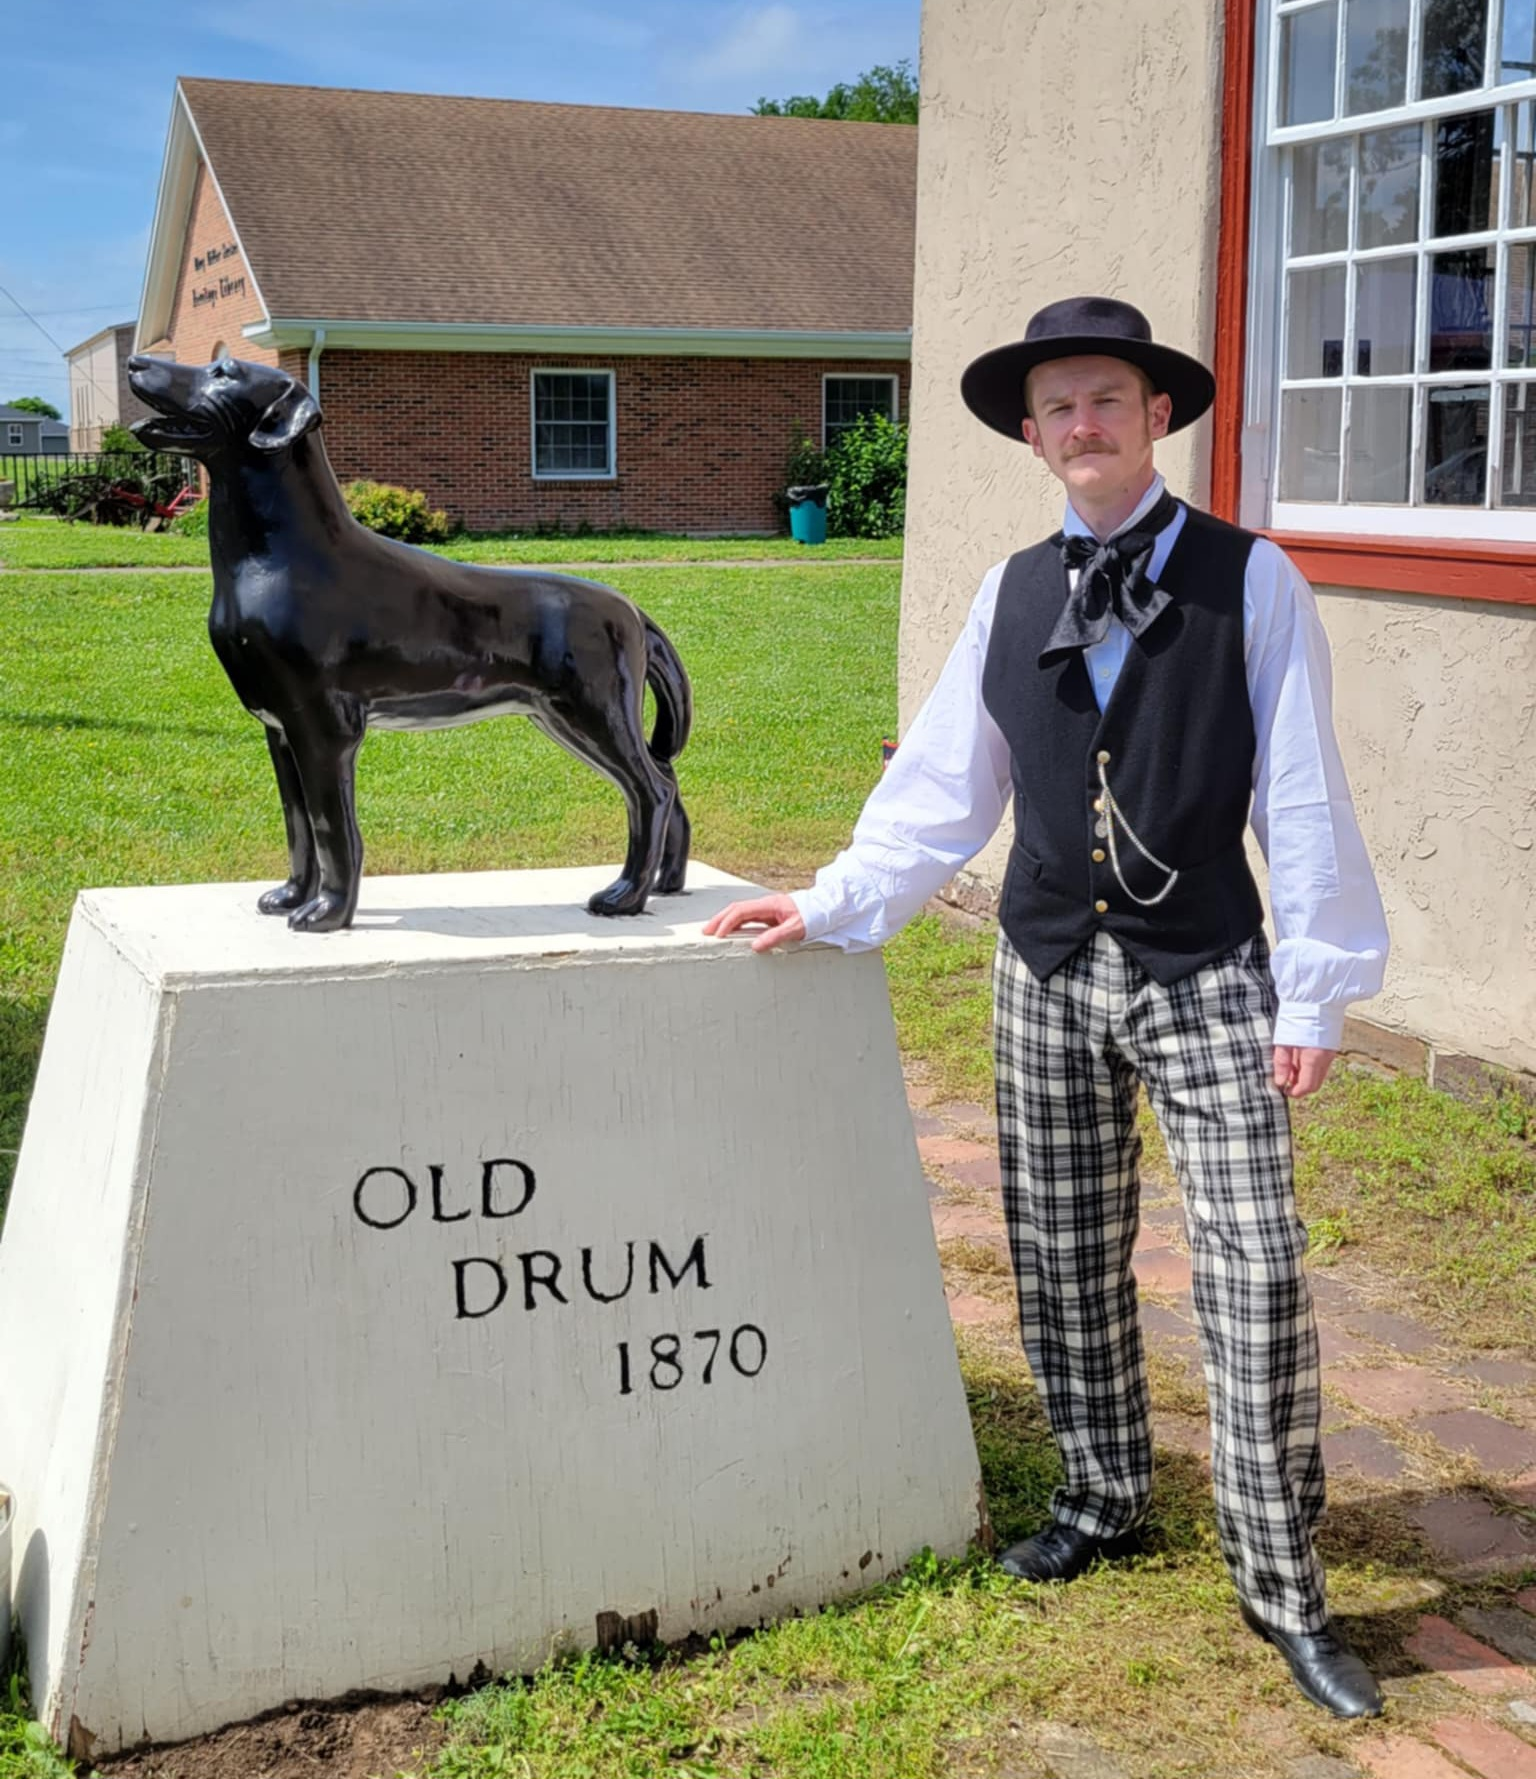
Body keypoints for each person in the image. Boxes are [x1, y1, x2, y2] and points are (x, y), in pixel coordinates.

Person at [703, 296, 1390, 1720]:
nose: (1085, 423)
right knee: (1063, 1249)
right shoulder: (1010, 591)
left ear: (1157, 416)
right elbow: (947, 783)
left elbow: (1303, 786)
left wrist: (1314, 986)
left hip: (1207, 966)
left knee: (1255, 1269)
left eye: (1108, 399)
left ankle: (1281, 1579)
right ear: (1032, 435)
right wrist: (834, 900)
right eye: (1060, 405)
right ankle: (1103, 1494)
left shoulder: (1252, 578)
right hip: (1047, 962)